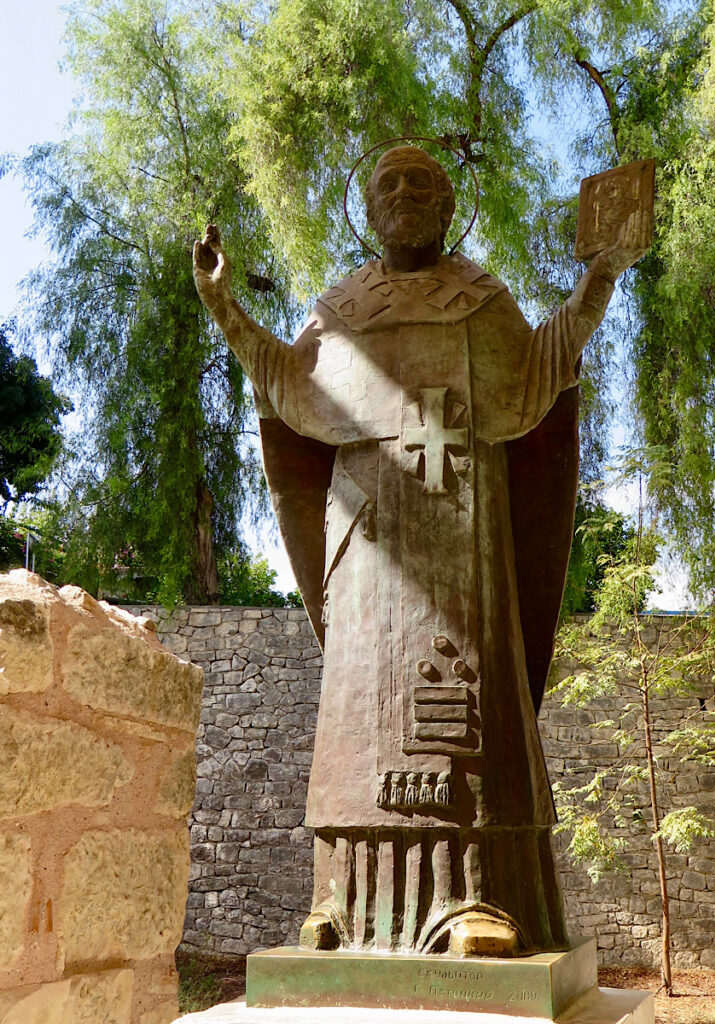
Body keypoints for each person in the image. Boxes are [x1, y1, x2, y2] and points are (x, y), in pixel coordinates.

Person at [193, 145, 648, 958]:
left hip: (462, 524)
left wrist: (601, 276)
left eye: (422, 184)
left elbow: (538, 374)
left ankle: (474, 896)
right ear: (367, 210)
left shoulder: (479, 300)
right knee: (357, 710)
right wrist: (223, 305)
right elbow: (288, 385)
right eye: (387, 184)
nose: (403, 193)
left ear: (446, 209)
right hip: (366, 533)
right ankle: (340, 900)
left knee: (460, 704)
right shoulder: (340, 310)